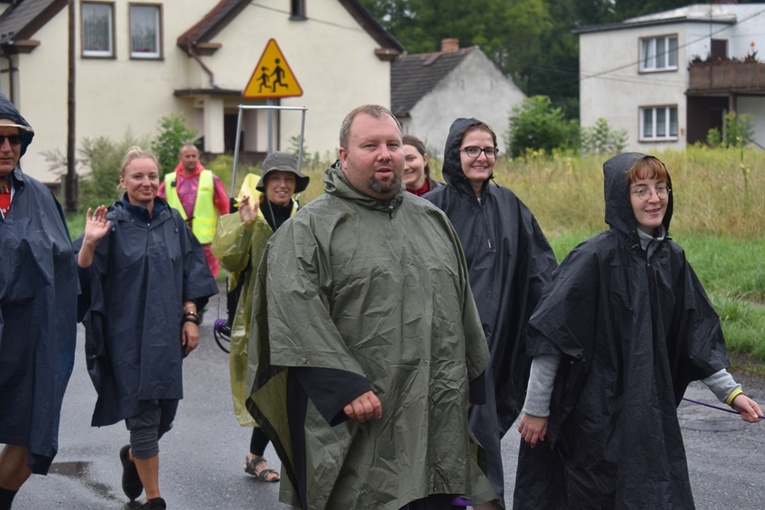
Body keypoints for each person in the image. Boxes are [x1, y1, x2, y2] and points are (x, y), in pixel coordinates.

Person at [245, 104, 493, 510]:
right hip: (357, 414)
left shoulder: (433, 219)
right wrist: (344, 386)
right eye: (370, 145)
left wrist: (471, 379)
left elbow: (462, 304)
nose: (385, 154)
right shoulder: (307, 230)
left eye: (393, 144)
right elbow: (295, 315)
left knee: (431, 491)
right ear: (343, 155)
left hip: (431, 409)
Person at [514, 153, 763, 509]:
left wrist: (732, 393)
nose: (654, 198)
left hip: (647, 412)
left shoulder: (672, 259)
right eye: (641, 190)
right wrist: (537, 409)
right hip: (592, 415)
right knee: (595, 493)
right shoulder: (594, 257)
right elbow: (552, 335)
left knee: (651, 492)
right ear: (621, 198)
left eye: (661, 188)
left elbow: (697, 335)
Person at [423, 118, 557, 509]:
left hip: (501, 346)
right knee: (461, 441)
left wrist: (561, 322)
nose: (481, 157)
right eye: (471, 150)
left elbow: (541, 272)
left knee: (480, 435)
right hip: (450, 353)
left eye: (488, 150)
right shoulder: (432, 209)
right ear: (454, 154)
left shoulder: (510, 205)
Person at [76, 146, 218, 510]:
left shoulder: (172, 222)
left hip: (166, 336)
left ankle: (133, 458)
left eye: (152, 175)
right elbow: (81, 278)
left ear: (160, 179)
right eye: (137, 176)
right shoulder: (111, 223)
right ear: (122, 180)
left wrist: (190, 317)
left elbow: (191, 273)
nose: (146, 182)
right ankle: (155, 499)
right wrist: (89, 244)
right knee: (143, 416)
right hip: (126, 337)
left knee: (164, 415)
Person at [211, 151, 310, 483]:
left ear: (296, 185)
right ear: (265, 184)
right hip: (257, 319)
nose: (282, 185)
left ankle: (259, 455)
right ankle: (258, 456)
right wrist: (246, 226)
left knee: (292, 388)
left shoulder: (305, 216)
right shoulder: (249, 215)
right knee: (266, 386)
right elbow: (231, 262)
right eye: (276, 179)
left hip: (296, 316)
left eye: (288, 179)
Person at [0, 94, 78, 510]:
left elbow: (63, 267)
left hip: (32, 336)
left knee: (32, 432)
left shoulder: (39, 197)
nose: (6, 148)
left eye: (13, 139)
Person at [158, 144, 229, 279]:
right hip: (177, 238)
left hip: (205, 241)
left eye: (193, 156)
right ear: (180, 158)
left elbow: (224, 206)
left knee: (205, 280)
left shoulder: (210, 178)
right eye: (187, 156)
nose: (191, 159)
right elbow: (157, 206)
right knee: (180, 278)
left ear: (198, 157)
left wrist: (228, 232)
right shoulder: (170, 180)